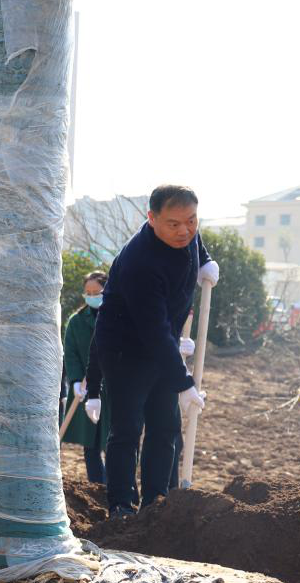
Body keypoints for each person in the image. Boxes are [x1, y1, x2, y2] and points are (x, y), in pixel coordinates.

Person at [89, 184, 217, 518]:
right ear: (151, 218)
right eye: (173, 224)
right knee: (128, 427)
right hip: (124, 349)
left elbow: (194, 241)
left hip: (161, 344)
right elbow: (153, 331)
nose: (184, 230)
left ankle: (157, 503)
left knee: (165, 425)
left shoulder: (187, 235)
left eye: (191, 220)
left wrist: (204, 261)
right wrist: (184, 382)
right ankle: (121, 506)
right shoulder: (140, 262)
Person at [62, 272, 111, 485]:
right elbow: (70, 353)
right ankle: (97, 486)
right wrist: (74, 381)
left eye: (96, 292)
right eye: (88, 293)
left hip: (112, 389)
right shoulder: (76, 322)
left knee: (113, 441)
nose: (91, 296)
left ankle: (115, 484)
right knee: (90, 442)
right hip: (85, 386)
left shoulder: (116, 317)